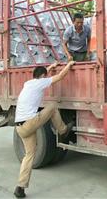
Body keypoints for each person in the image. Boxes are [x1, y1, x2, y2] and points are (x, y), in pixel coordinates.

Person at [13, 60, 75, 198]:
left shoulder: (28, 83)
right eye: (44, 75)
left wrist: (50, 67)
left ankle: (20, 187)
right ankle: (63, 130)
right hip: (30, 123)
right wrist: (68, 65)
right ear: (42, 76)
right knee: (52, 106)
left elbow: (41, 76)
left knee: (29, 156)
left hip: (20, 127)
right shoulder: (40, 82)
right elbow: (59, 77)